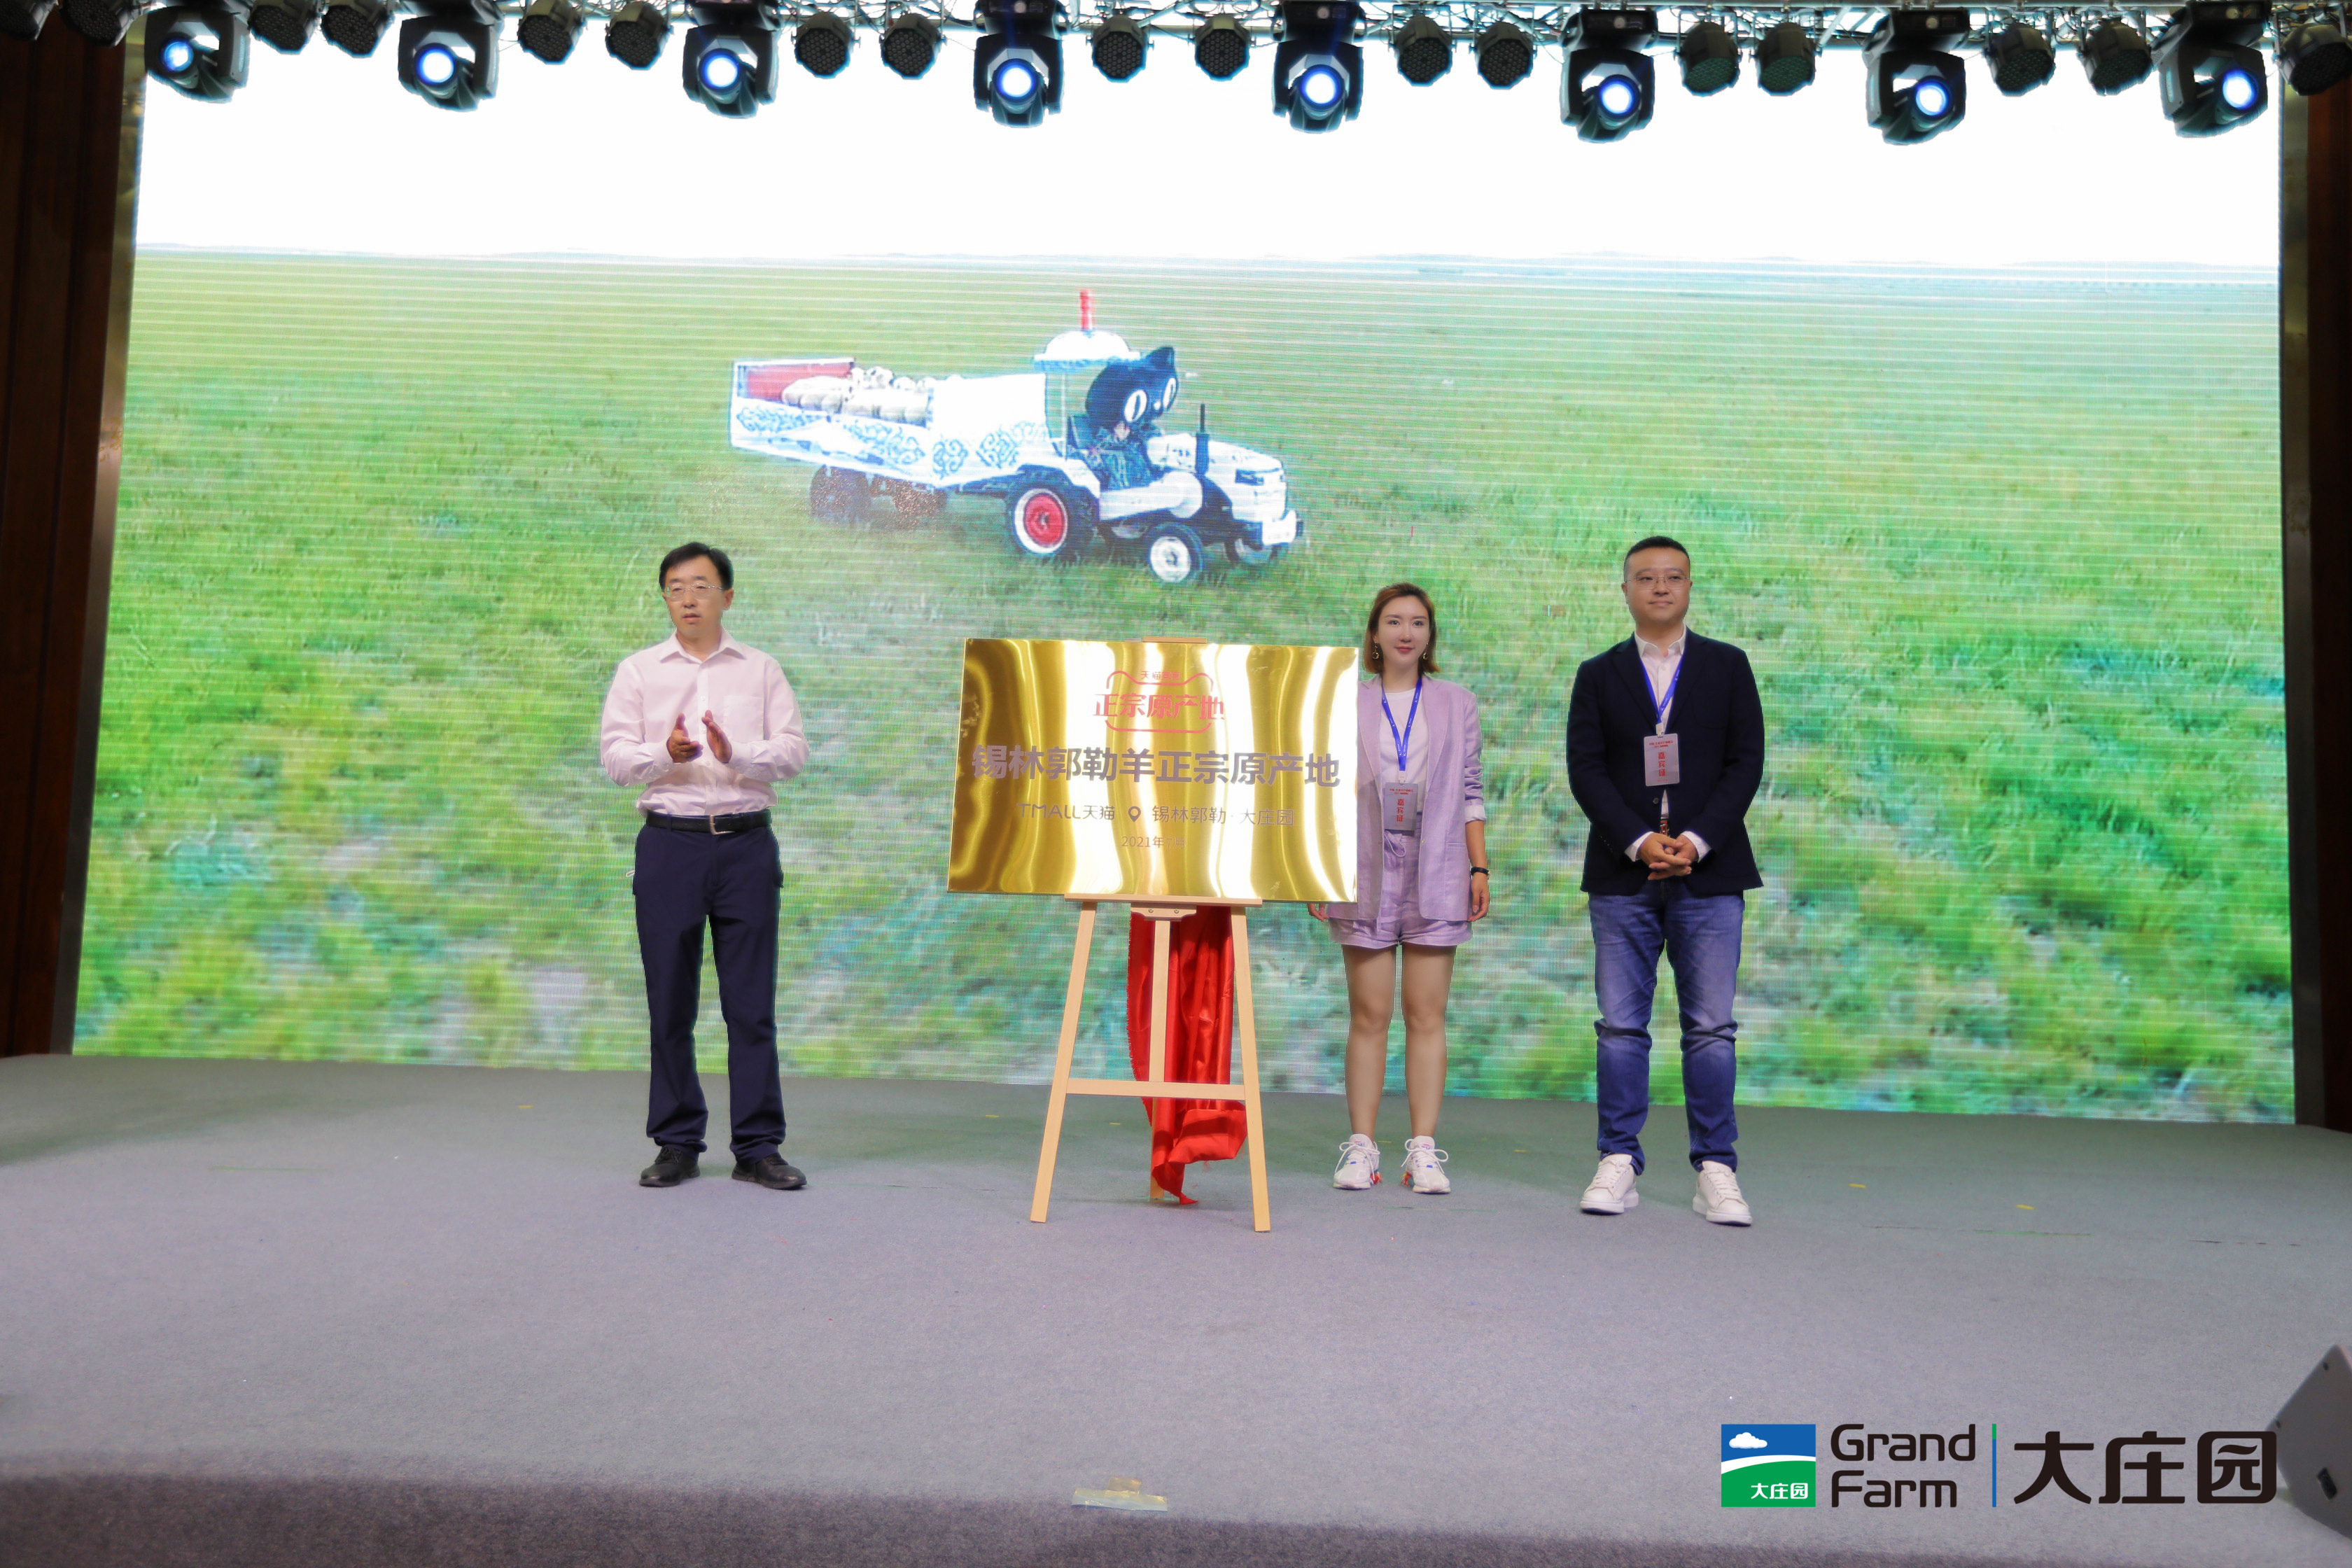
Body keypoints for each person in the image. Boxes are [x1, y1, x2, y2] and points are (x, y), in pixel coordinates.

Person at [1564, 536, 1765, 1225]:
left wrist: (1696, 842)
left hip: (1711, 874)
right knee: (1621, 1027)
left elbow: (1745, 762)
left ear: (1688, 588)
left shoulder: (1727, 666)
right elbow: (1586, 769)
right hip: (1623, 875)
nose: (1659, 587)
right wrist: (1640, 840)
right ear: (1624, 590)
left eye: (1672, 577)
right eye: (1645, 577)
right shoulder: (1599, 674)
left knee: (1710, 1029)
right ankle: (1618, 1160)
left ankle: (1716, 1168)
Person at [599, 542, 811, 1192]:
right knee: (671, 1003)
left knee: (752, 1008)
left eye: (700, 586)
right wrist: (665, 754)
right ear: (665, 599)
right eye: (675, 588)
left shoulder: (761, 669)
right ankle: (676, 1143)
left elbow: (794, 752)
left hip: (746, 847)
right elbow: (615, 761)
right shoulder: (639, 671)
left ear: (727, 596)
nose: (687, 599)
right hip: (671, 846)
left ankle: (758, 1147)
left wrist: (734, 751)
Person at [1312, 584, 1491, 1196]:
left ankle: (1423, 1151)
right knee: (1369, 1014)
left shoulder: (1456, 702)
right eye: (1393, 621)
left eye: (1418, 622)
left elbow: (1470, 790)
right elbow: (1324, 788)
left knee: (1426, 1013)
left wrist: (1479, 869)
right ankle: (1362, 1147)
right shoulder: (1346, 701)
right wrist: (1318, 867)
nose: (1406, 633)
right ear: (1374, 634)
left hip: (1437, 861)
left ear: (1429, 635)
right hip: (1362, 863)